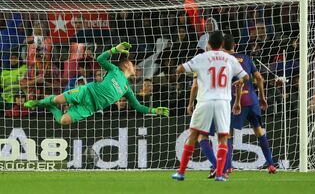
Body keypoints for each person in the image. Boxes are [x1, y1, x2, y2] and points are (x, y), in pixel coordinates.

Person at [188, 34, 276, 179]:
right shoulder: (246, 58)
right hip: (251, 100)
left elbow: (202, 83)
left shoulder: (222, 61)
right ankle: (271, 164)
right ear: (234, 45)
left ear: (221, 46)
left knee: (225, 134)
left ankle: (226, 167)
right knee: (259, 132)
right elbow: (259, 77)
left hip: (231, 101)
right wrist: (262, 97)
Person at [24, 42, 169, 125]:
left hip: (90, 107)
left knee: (63, 120)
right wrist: (115, 50)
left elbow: (138, 106)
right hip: (86, 91)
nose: (135, 67)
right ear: (125, 65)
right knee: (57, 99)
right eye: (132, 64)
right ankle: (38, 102)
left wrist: (154, 111)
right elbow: (100, 59)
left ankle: (49, 106)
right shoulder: (114, 70)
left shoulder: (127, 88)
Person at [172, 31, 249, 181]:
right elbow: (245, 77)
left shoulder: (201, 58)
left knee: (194, 135)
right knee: (223, 138)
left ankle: (181, 172)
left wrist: (194, 72)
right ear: (222, 44)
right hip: (223, 102)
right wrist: (239, 82)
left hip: (205, 101)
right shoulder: (230, 59)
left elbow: (180, 69)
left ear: (208, 44)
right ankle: (220, 174)